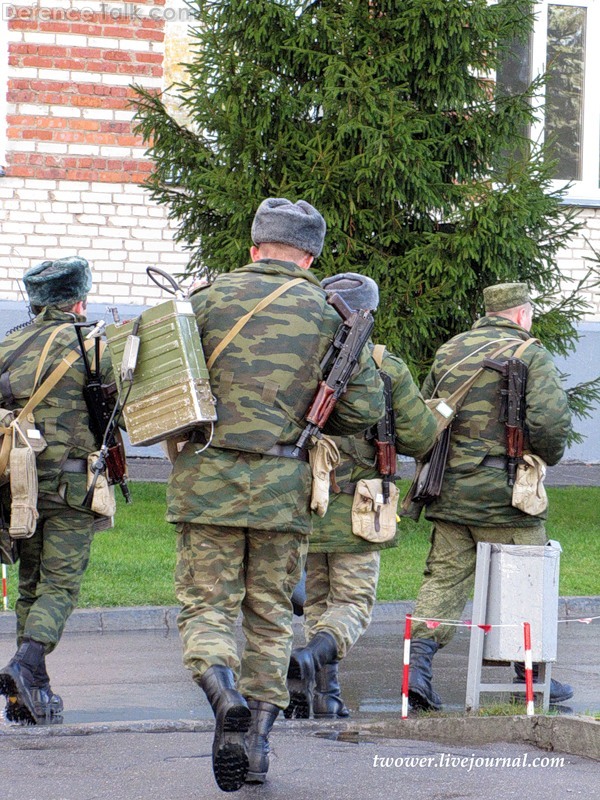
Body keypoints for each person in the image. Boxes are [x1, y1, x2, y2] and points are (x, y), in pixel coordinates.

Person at [166, 199, 385, 792]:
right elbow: (364, 410)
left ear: (255, 246)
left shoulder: (203, 301)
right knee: (269, 618)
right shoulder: (332, 314)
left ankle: (221, 692)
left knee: (207, 607)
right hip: (284, 492)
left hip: (206, 485)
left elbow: (151, 385)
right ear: (311, 256)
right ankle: (256, 745)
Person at [407, 282, 573, 711]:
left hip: (449, 491)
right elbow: (551, 424)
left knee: (443, 579)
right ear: (522, 314)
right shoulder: (531, 353)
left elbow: (425, 419)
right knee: (527, 578)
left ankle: (418, 668)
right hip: (507, 497)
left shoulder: (449, 351)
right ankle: (530, 675)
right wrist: (545, 457)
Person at [285, 273, 438, 719]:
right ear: (366, 314)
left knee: (316, 600)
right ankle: (314, 662)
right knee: (352, 604)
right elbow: (420, 436)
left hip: (308, 502)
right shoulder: (385, 367)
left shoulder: (303, 359)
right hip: (362, 509)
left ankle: (324, 694)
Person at [0, 256, 114, 725]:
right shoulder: (93, 345)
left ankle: (27, 694)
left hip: (17, 484)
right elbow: (119, 413)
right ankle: (26, 665)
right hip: (70, 484)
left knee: (29, 585)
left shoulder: (8, 343)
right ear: (79, 299)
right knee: (60, 585)